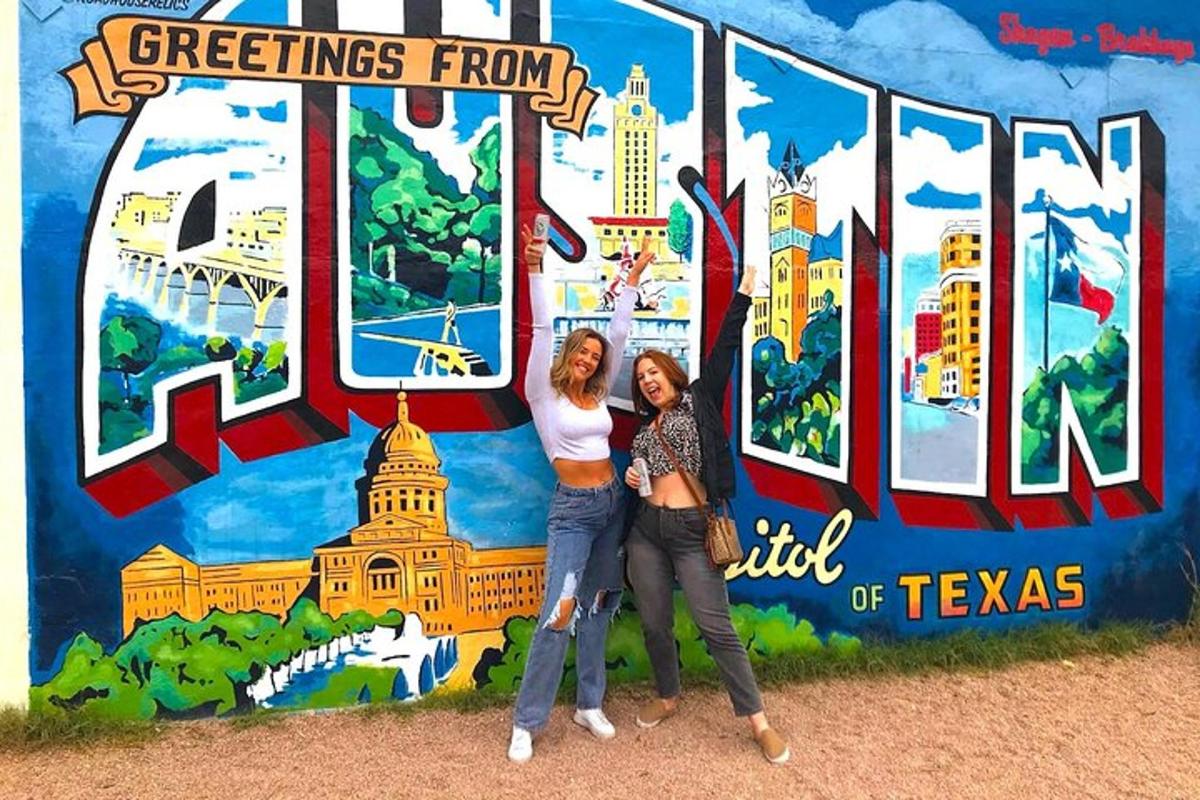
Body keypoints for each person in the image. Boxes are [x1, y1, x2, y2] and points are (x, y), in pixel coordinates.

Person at [623, 264, 790, 764]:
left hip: (694, 530)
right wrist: (634, 478)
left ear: (669, 373)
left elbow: (726, 349)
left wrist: (743, 295)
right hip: (647, 532)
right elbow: (646, 479)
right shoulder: (642, 431)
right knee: (655, 622)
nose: (648, 381)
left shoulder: (700, 400)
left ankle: (759, 721)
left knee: (716, 627)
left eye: (653, 372)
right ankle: (668, 695)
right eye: (640, 379)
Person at [508, 223, 654, 763]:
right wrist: (534, 267)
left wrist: (632, 282)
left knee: (599, 603)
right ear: (569, 352)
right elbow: (542, 326)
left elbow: (619, 334)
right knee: (559, 610)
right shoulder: (543, 393)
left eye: (595, 357)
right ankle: (527, 721)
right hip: (572, 512)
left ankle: (589, 703)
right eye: (584, 353)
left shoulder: (597, 393)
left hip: (611, 502)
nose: (591, 360)